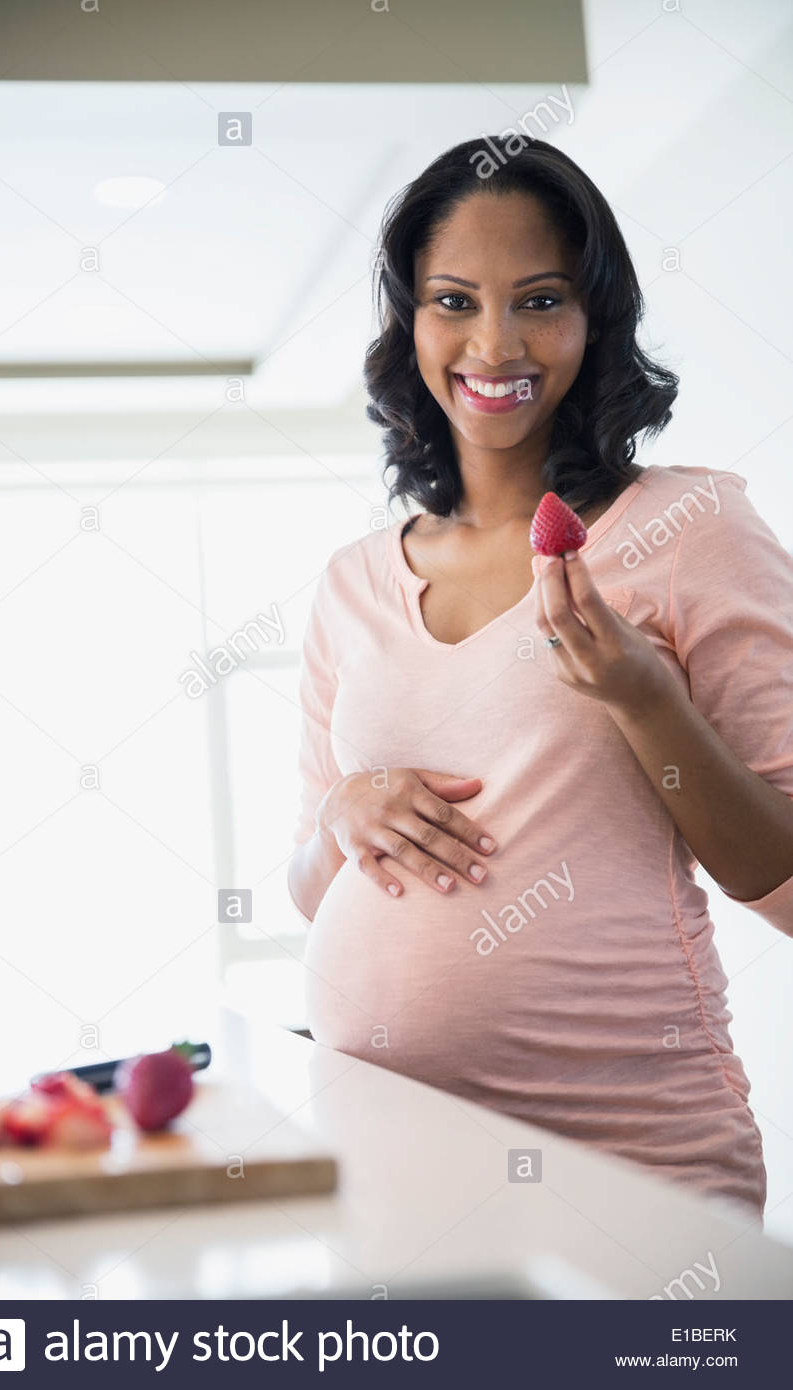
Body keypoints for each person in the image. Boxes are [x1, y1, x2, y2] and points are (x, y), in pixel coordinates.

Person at [286, 135, 793, 1221]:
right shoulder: (348, 584)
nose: (494, 342)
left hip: (629, 1166)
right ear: (409, 324)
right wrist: (339, 809)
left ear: (594, 318)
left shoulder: (691, 527)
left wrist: (642, 699)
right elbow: (304, 884)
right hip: (386, 1163)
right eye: (453, 300)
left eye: (541, 298)